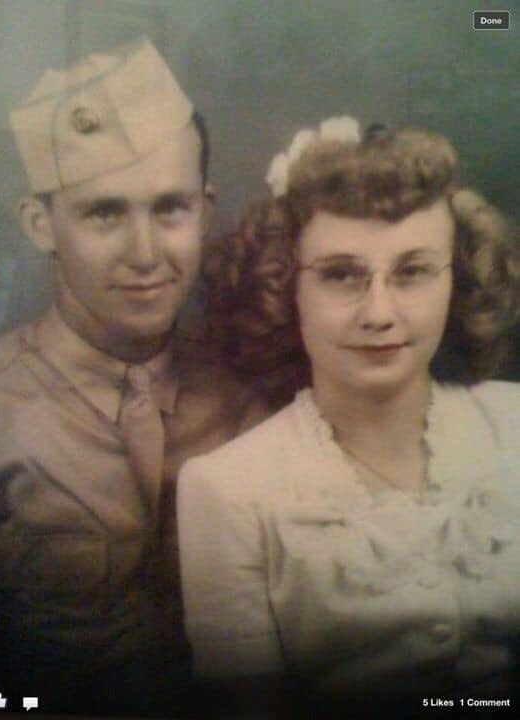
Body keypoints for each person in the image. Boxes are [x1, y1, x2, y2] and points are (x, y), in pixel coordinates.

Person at [178, 117, 520, 717]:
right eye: (341, 275)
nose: (380, 313)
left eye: (413, 272)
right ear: (285, 286)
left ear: (457, 280)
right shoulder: (228, 489)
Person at [0, 38, 275, 716]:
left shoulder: (256, 394)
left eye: (169, 208)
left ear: (204, 211)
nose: (145, 254)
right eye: (104, 213)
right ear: (39, 222)